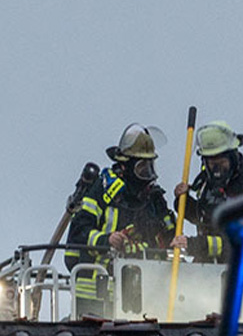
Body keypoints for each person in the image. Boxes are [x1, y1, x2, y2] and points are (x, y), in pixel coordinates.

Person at [65, 124, 179, 317]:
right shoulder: (101, 191)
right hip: (96, 298)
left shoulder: (153, 198)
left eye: (150, 167)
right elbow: (78, 233)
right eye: (142, 168)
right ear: (125, 166)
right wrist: (107, 240)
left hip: (144, 298)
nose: (148, 174)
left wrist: (174, 239)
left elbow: (170, 234)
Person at [173, 121, 243, 264]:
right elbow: (204, 217)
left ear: (233, 157)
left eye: (221, 163)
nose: (217, 170)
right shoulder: (205, 183)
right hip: (207, 268)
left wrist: (197, 245)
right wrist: (182, 201)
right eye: (212, 164)